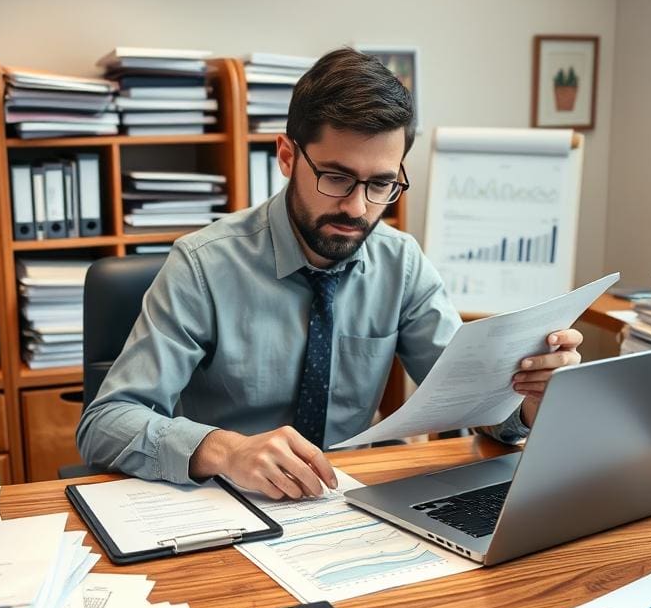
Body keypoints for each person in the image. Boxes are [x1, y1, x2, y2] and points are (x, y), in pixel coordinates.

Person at [77, 48, 582, 501]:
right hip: (231, 507)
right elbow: (105, 423)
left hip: (353, 503)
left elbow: (473, 402)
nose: (357, 207)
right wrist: (225, 451)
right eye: (336, 177)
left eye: (382, 183)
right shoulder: (203, 265)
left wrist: (533, 400)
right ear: (287, 155)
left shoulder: (401, 263)